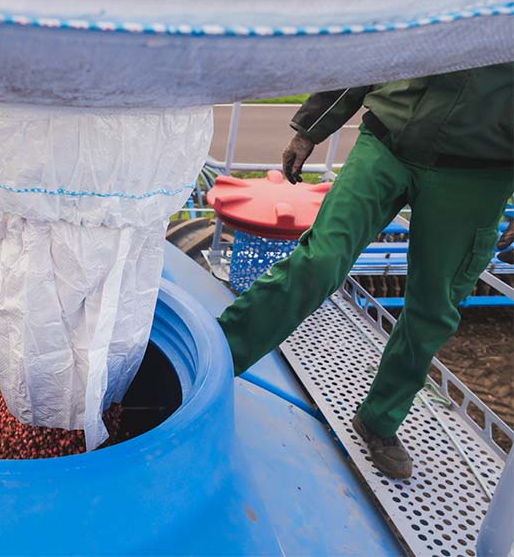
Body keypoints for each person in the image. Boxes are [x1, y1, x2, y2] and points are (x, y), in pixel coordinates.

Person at [217, 63, 514, 479]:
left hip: (478, 170)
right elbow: (379, 48)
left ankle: (379, 420)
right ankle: (220, 357)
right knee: (320, 261)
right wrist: (310, 128)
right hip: (390, 138)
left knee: (433, 307)